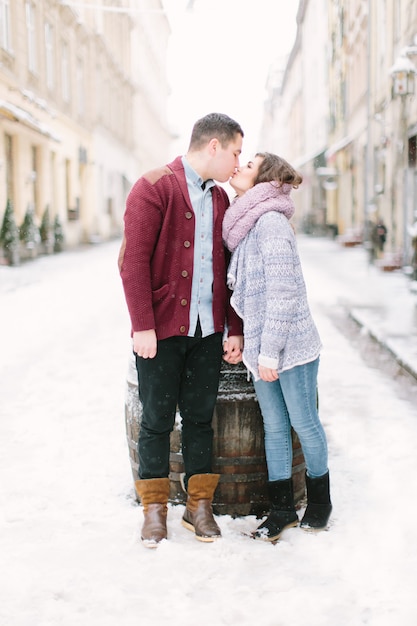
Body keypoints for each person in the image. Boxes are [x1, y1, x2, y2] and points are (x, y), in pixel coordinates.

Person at [118, 113, 244, 547]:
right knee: (155, 420)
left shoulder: (222, 200)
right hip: (161, 332)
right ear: (214, 145)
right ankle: (154, 509)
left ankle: (199, 507)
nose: (236, 161)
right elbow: (132, 262)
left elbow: (230, 269)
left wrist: (235, 327)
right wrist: (142, 325)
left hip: (208, 332)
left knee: (199, 420)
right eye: (235, 152)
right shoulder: (154, 187)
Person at [222, 152, 332, 542]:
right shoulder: (248, 222)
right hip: (263, 346)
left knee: (303, 422)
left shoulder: (269, 223)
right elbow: (249, 289)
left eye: (248, 166)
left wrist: (269, 353)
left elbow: (284, 293)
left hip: (292, 346)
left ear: (263, 181)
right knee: (273, 427)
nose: (239, 167)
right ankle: (282, 508)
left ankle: (320, 502)